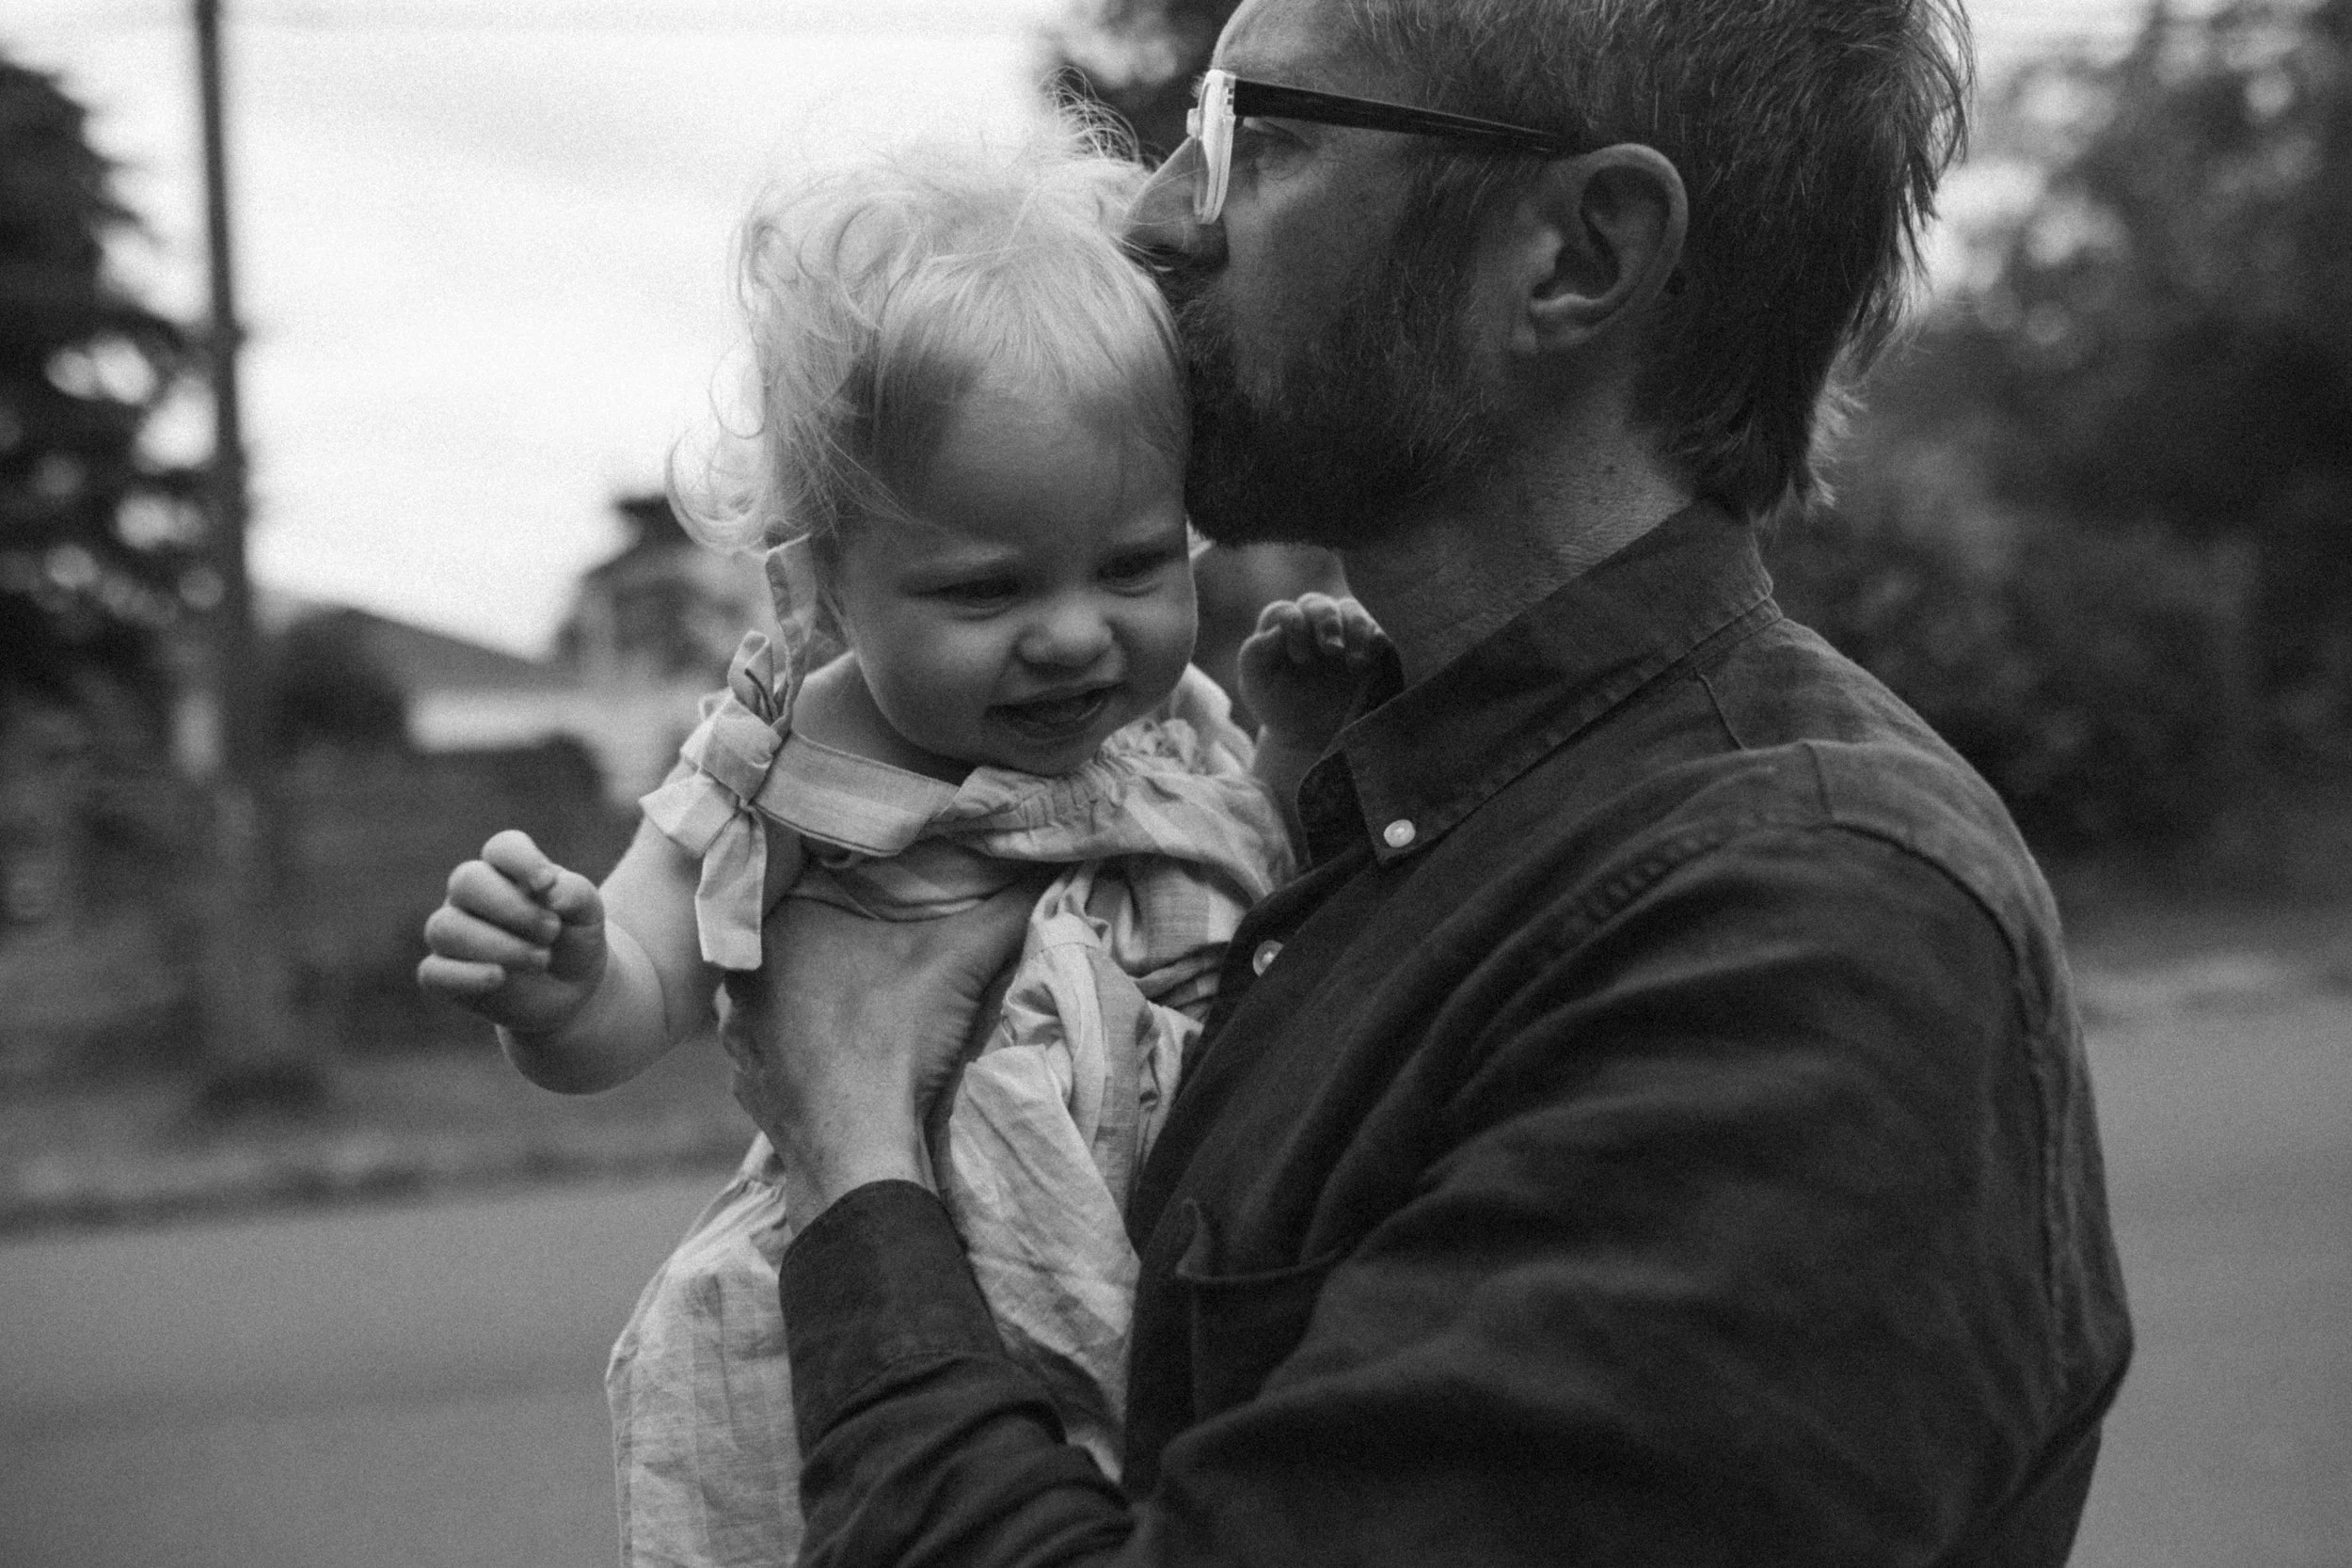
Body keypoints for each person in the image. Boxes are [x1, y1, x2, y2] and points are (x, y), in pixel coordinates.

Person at [719, 0, 2137, 1564]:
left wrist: (855, 1138)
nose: (1157, 211)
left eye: (1263, 137)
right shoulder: (1385, 805)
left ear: (1576, 255)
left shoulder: (1812, 925)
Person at [415, 124, 1383, 1567]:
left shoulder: (1173, 732)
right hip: (915, 1287)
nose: (1071, 633)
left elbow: (1266, 899)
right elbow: (638, 1004)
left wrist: (1301, 752)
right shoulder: (785, 771)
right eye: (985, 590)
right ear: (821, 586)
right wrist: (562, 979)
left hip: (1176, 1267)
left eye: (1133, 565)